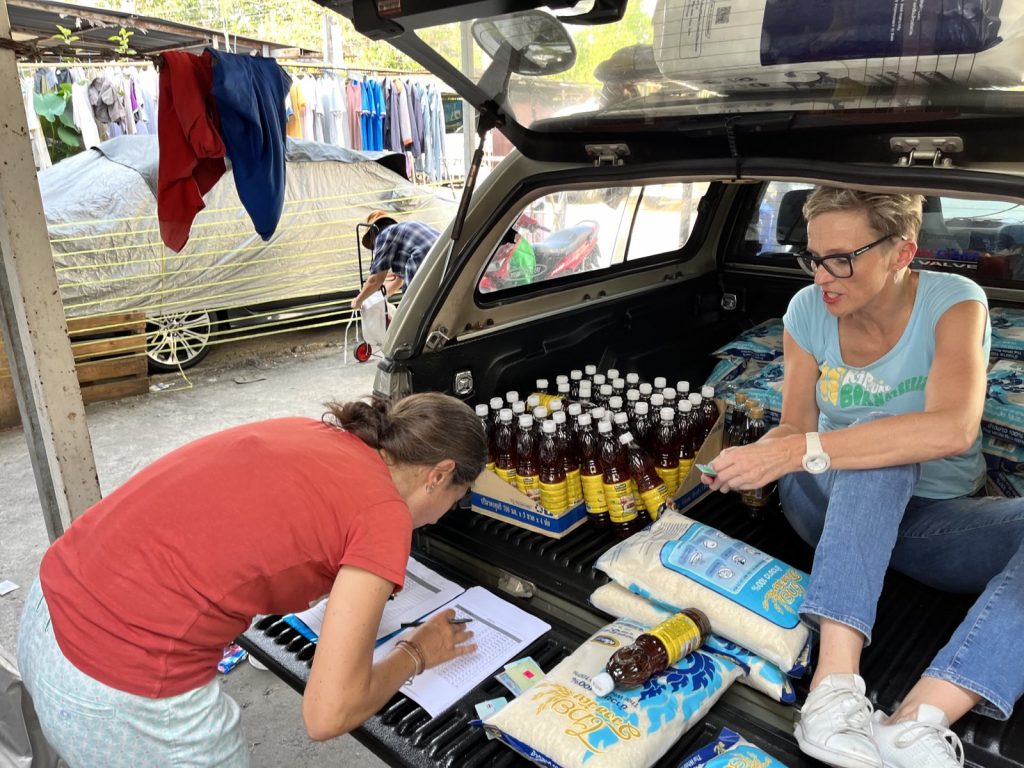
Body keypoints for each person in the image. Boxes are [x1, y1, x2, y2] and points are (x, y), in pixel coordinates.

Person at [701, 187, 1024, 768]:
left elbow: (953, 428)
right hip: (831, 504)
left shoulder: (955, 302)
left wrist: (803, 447)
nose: (822, 276)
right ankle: (832, 690)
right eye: (812, 256)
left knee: (886, 435)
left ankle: (920, 720)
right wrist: (757, 456)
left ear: (902, 253)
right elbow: (796, 425)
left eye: (842, 259)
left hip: (933, 525)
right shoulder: (806, 311)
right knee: (875, 442)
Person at [17, 393, 485, 767]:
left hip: (47, 617)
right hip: (119, 688)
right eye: (456, 498)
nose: (444, 515)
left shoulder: (318, 434)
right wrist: (418, 651)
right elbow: (328, 714)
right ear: (438, 474)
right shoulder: (384, 517)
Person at [351, 211, 440, 310]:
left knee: (413, 306)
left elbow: (375, 280)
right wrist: (377, 300)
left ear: (372, 233)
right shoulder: (402, 231)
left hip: (422, 258)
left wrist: (358, 301)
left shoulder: (384, 234)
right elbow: (398, 281)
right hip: (446, 254)